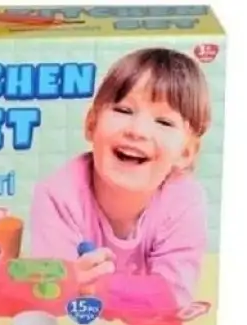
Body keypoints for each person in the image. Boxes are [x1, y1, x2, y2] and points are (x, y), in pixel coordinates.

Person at [28, 47, 211, 308]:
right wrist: (67, 285)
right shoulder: (57, 196)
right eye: (124, 110)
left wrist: (96, 288)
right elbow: (49, 292)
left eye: (164, 122)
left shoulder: (184, 200)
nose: (137, 131)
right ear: (91, 124)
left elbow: (174, 296)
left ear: (186, 152)